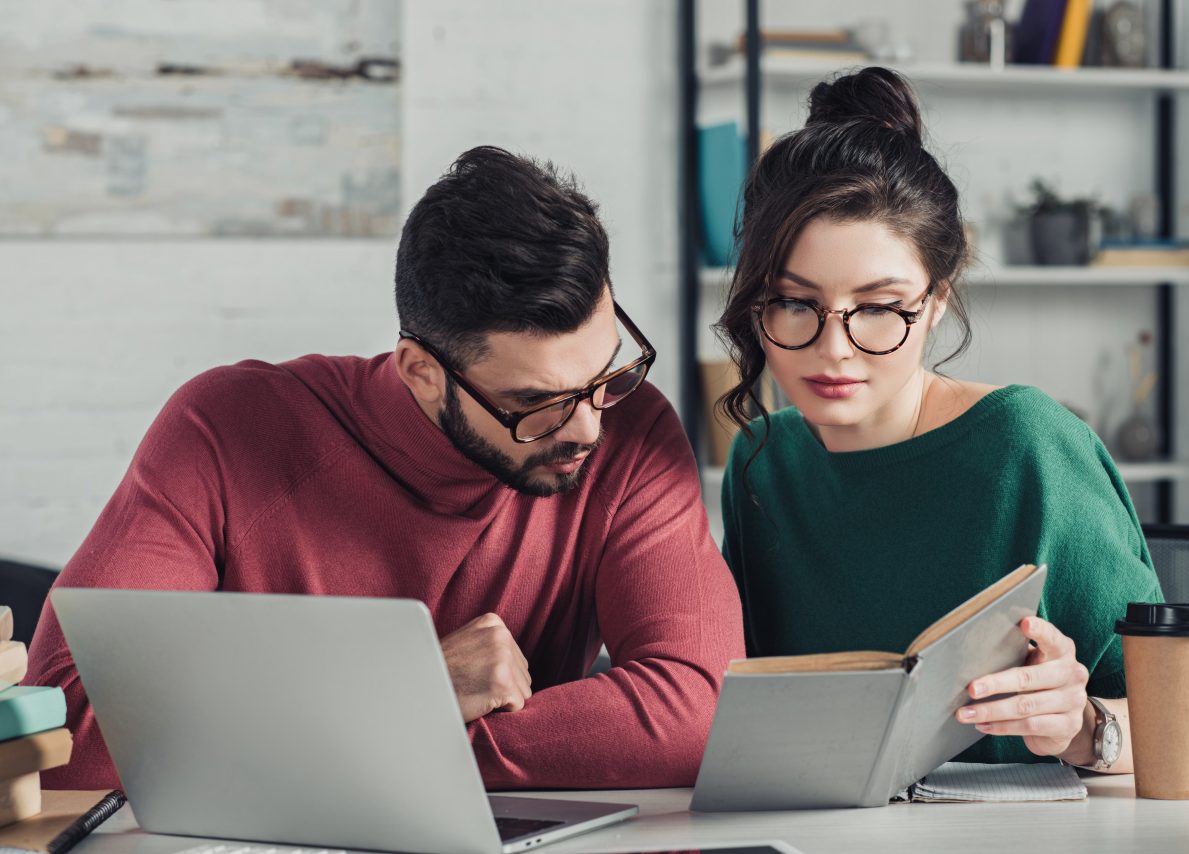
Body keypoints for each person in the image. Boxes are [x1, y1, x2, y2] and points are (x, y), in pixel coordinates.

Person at [26, 146, 744, 789]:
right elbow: (65, 740)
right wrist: (409, 690)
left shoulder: (631, 432)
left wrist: (345, 745)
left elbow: (701, 710)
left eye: (605, 373)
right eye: (536, 404)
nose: (589, 426)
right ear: (422, 372)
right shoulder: (225, 428)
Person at [715, 68, 1161, 772]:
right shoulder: (762, 462)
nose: (834, 350)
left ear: (936, 301)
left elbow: (1185, 728)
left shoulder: (1028, 447)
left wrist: (1083, 727)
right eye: (795, 303)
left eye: (879, 308)